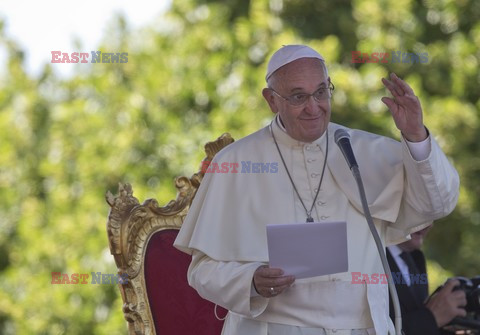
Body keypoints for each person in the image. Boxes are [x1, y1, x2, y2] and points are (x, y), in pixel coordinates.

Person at [174, 44, 460, 335]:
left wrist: (415, 135)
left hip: (364, 328)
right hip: (273, 328)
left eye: (322, 92)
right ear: (271, 100)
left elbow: (437, 202)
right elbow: (202, 271)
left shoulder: (361, 149)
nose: (314, 107)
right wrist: (251, 281)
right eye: (299, 96)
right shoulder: (236, 162)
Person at [387, 226, 467, 334]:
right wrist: (431, 318)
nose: (429, 225)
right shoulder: (368, 259)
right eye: (419, 210)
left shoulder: (416, 259)